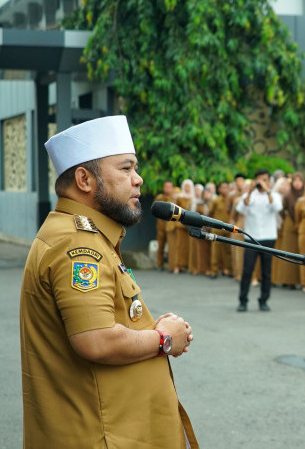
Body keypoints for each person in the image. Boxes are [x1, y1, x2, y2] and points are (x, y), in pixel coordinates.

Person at [20, 115, 197, 448]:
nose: (138, 179)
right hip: (102, 435)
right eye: (126, 169)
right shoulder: (79, 243)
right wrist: (162, 339)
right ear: (85, 179)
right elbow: (96, 340)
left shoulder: (84, 233)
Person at [235, 169, 283, 311]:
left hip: (268, 237)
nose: (262, 183)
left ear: (269, 181)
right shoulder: (249, 195)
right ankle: (243, 301)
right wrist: (249, 192)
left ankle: (264, 300)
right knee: (247, 270)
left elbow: (277, 207)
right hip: (251, 237)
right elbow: (240, 208)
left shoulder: (274, 195)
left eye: (265, 180)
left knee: (266, 272)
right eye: (259, 180)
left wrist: (267, 191)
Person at [209, 182, 233, 278]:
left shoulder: (231, 200)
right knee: (215, 251)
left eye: (226, 187)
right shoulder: (215, 200)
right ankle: (214, 271)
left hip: (228, 228)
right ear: (219, 189)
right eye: (222, 187)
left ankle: (229, 270)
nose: (224, 189)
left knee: (228, 251)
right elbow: (210, 213)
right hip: (217, 229)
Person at [173, 179, 195, 274]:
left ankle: (189, 266)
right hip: (181, 224)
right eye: (185, 186)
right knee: (180, 246)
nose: (187, 188)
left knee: (190, 247)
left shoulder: (194, 198)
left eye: (188, 186)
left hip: (190, 225)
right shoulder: (179, 197)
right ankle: (178, 265)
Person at [154, 180, 174, 271]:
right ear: (163, 188)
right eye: (166, 187)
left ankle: (172, 266)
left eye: (170, 187)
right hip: (161, 226)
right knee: (160, 246)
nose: (168, 189)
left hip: (171, 226)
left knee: (172, 246)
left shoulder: (174, 198)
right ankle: (159, 264)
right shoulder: (159, 198)